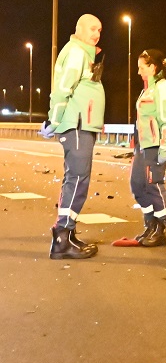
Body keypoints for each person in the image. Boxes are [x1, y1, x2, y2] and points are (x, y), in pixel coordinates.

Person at [40, 13, 106, 259]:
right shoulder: (77, 53)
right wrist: (54, 121)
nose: (96, 33)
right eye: (91, 28)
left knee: (76, 179)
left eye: (99, 29)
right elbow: (62, 90)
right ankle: (62, 238)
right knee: (78, 179)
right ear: (78, 29)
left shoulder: (83, 53)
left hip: (83, 124)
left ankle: (68, 233)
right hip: (76, 125)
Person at [130, 49, 166, 247]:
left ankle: (160, 229)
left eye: (141, 67)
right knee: (137, 184)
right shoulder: (148, 89)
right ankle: (150, 224)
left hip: (156, 145)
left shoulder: (163, 87)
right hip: (143, 145)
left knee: (153, 184)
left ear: (153, 67)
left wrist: (164, 148)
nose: (138, 72)